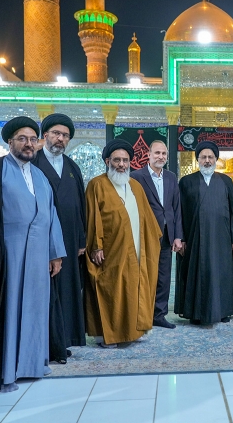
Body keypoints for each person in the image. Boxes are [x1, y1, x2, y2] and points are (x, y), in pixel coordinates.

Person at [0, 116, 66, 392]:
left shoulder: (40, 175)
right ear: (10, 142)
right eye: (22, 139)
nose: (28, 144)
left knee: (35, 311)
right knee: (9, 310)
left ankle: (31, 365)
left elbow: (51, 215)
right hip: (9, 254)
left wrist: (55, 253)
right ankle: (7, 368)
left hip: (38, 256)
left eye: (32, 139)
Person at [85, 139, 161, 346]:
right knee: (113, 289)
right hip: (112, 249)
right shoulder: (97, 185)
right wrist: (96, 246)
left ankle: (133, 331)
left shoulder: (135, 185)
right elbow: (93, 218)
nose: (121, 164)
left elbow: (147, 217)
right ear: (107, 161)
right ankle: (111, 335)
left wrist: (152, 243)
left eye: (125, 160)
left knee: (134, 287)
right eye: (117, 160)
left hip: (137, 247)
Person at [32, 113, 87, 364]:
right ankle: (41, 344)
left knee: (66, 292)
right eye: (56, 133)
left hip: (69, 242)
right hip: (39, 242)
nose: (60, 138)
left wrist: (82, 240)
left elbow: (81, 206)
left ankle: (61, 342)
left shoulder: (73, 168)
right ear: (45, 135)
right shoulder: (32, 162)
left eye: (65, 135)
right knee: (43, 293)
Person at [176, 141, 233, 325]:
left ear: (216, 159)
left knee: (221, 273)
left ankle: (222, 311)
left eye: (210, 157)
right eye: (203, 157)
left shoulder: (226, 181)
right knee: (196, 274)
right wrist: (181, 238)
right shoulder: (186, 182)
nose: (207, 160)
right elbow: (179, 213)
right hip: (194, 239)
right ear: (198, 160)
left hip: (221, 238)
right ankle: (195, 313)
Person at [131, 140, 183, 329]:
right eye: (157, 153)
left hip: (167, 235)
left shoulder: (171, 177)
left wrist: (178, 236)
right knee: (144, 275)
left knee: (163, 276)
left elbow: (176, 208)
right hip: (145, 235)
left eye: (164, 154)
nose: (160, 157)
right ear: (149, 155)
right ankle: (141, 314)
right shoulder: (136, 177)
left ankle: (159, 315)